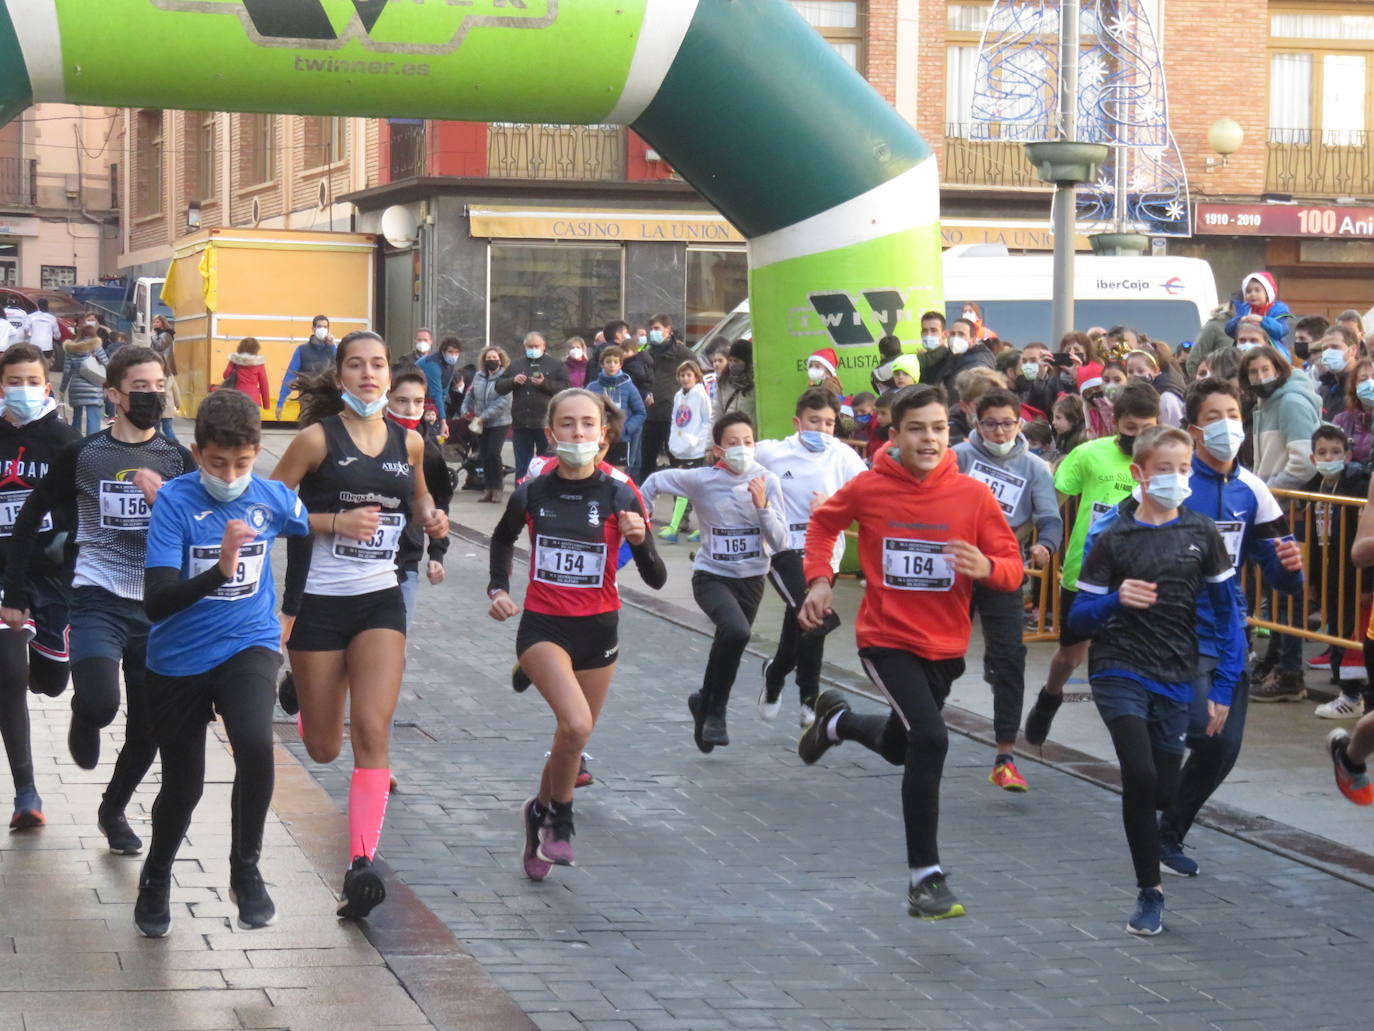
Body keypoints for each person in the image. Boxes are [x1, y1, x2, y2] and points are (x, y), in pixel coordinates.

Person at [795, 384, 1022, 920]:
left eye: (939, 428)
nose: (929, 438)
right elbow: (824, 523)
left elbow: (1011, 567)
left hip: (944, 647)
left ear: (951, 433)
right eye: (917, 428)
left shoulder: (973, 497)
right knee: (931, 738)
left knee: (903, 747)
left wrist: (986, 568)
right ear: (894, 436)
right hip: (885, 640)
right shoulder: (870, 488)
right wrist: (820, 580)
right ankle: (926, 877)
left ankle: (838, 723)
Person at [269, 330, 448, 920]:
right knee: (323, 748)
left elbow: (419, 497)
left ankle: (361, 864)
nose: (369, 375)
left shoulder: (411, 443)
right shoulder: (315, 439)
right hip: (320, 606)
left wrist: (432, 516)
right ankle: (303, 690)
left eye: (378, 365)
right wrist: (330, 522)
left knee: (372, 728)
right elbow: (266, 511)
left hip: (380, 601)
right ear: (340, 375)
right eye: (357, 365)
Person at [2, 345, 195, 855]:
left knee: (149, 724)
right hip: (98, 596)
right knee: (103, 703)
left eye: (159, 387)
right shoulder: (84, 454)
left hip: (156, 605)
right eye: (140, 388)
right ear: (113, 395)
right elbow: (30, 518)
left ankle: (113, 809)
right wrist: (18, 589)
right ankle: (85, 715)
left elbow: (204, 531)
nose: (152, 397)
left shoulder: (178, 459)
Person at [132, 390, 311, 938]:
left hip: (248, 643)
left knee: (256, 744)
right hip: (178, 657)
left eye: (242, 462)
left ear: (259, 451)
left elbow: (304, 534)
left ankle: (245, 870)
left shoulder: (272, 497)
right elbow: (157, 601)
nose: (231, 474)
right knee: (184, 785)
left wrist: (290, 612)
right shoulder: (175, 503)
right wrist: (222, 568)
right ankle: (157, 873)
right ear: (196, 451)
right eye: (217, 463)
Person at [1070, 425, 1244, 935]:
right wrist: (1115, 600)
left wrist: (1221, 687)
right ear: (1138, 474)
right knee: (1140, 776)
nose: (1175, 478)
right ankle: (1150, 890)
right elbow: (1076, 620)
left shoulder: (1201, 534)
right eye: (1164, 469)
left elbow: (1228, 615)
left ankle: (1159, 837)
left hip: (1176, 673)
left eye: (1184, 468)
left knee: (1163, 790)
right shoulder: (1111, 536)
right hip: (1117, 666)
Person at [489, 389, 666, 878]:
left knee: (569, 737)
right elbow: (502, 537)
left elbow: (656, 579)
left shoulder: (621, 492)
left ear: (603, 435)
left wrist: (640, 541)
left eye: (587, 424)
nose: (578, 433)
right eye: (567, 425)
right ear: (551, 434)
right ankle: (560, 823)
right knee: (577, 725)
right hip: (543, 627)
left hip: (599, 631)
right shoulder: (533, 489)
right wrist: (497, 588)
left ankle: (537, 812)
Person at [1148, 379, 1302, 877]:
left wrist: (1291, 565)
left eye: (1233, 413)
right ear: (1194, 429)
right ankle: (1149, 762)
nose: (1227, 425)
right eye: (1215, 416)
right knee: (1196, 725)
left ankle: (1167, 834)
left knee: (1223, 747)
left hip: (1227, 629)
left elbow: (1283, 579)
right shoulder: (1171, 481)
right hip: (1173, 626)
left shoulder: (1253, 490)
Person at [1023, 383, 1161, 746]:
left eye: (1148, 429)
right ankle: (1049, 698)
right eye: (1132, 430)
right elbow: (1051, 501)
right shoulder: (1088, 454)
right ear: (1117, 422)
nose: (1139, 437)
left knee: (1129, 657)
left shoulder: (1164, 460)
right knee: (1071, 655)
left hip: (1140, 576)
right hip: (1084, 573)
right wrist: (1024, 537)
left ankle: (1135, 726)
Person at [641, 413, 786, 749]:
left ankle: (704, 704)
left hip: (751, 579)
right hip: (711, 576)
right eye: (733, 443)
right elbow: (653, 482)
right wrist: (643, 523)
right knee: (736, 631)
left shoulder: (768, 481)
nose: (742, 449)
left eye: (748, 442)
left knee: (732, 642)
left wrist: (762, 506)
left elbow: (781, 543)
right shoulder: (702, 479)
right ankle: (716, 712)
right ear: (719, 449)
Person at [954, 388, 1062, 789]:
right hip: (957, 568)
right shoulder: (959, 458)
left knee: (1010, 657)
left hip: (1003, 567)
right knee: (944, 653)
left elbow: (1050, 518)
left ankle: (1005, 756)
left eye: (1007, 423)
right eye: (990, 423)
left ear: (1020, 424)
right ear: (976, 424)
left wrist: (1045, 546)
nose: (999, 432)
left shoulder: (1034, 467)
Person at [0, 344, 79, 830]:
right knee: (9, 672)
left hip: (51, 579)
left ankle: (34, 661)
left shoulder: (66, 442)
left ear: (47, 386)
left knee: (52, 680)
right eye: (14, 381)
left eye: (32, 381)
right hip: (5, 579)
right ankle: (26, 792)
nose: (23, 389)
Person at [755, 389, 867, 727]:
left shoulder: (843, 456)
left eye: (829, 423)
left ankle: (779, 676)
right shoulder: (773, 453)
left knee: (807, 617)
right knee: (809, 611)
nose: (821, 430)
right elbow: (733, 466)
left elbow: (868, 498)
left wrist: (832, 506)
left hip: (825, 553)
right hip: (781, 548)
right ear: (797, 422)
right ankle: (807, 693)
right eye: (814, 422)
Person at [1298, 426, 1369, 719]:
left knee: (1352, 631)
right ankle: (1348, 691)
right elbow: (1314, 540)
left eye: (1336, 452)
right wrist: (1312, 579)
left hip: (1355, 573)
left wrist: (1368, 582)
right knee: (1336, 629)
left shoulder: (1359, 486)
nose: (1330, 457)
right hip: (1329, 571)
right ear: (1313, 458)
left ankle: (1351, 694)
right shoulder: (1316, 487)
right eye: (1323, 452)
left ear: (1348, 454)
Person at [386, 369, 453, 628]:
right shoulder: (367, 443)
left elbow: (440, 506)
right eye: (402, 401)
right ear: (387, 398)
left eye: (417, 402)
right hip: (361, 564)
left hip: (406, 561)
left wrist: (437, 553)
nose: (410, 409)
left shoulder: (430, 453)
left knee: (394, 651)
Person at [497, 332, 570, 480]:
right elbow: (499, 386)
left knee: (546, 462)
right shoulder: (516, 364)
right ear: (525, 347)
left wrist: (545, 384)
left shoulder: (555, 365)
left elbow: (566, 388)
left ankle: (545, 491)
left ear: (543, 347)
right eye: (530, 346)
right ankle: (522, 494)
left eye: (536, 346)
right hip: (521, 422)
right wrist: (513, 381)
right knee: (522, 464)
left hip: (545, 423)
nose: (533, 349)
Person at [635, 315, 697, 485]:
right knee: (646, 463)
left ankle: (683, 507)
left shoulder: (683, 354)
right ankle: (644, 505)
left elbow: (697, 380)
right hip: (650, 416)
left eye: (657, 328)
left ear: (668, 329)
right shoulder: (646, 354)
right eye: (652, 329)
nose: (653, 332)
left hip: (675, 417)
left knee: (677, 463)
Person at [659, 360, 712, 543]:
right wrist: (673, 442)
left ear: (696, 376)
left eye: (689, 375)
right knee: (679, 487)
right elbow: (675, 420)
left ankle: (700, 525)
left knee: (692, 490)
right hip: (678, 448)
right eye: (682, 375)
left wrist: (697, 440)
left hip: (694, 451)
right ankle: (679, 523)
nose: (685, 378)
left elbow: (707, 420)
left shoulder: (700, 395)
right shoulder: (678, 396)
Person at [463, 345, 513, 503]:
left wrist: (484, 416)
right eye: (488, 358)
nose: (491, 360)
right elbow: (470, 394)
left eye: (494, 358)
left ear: (500, 359)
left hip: (499, 422)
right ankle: (488, 489)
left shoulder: (506, 376)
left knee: (493, 454)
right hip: (481, 423)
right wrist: (465, 409)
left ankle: (497, 488)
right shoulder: (479, 376)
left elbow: (504, 402)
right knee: (484, 456)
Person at [585, 345, 646, 472]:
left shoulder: (629, 387)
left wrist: (626, 429)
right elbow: (583, 410)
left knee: (619, 474)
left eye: (615, 362)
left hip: (621, 439)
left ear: (620, 365)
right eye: (608, 362)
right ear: (602, 364)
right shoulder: (592, 387)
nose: (612, 365)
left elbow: (640, 413)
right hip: (598, 439)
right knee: (596, 470)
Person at [275, 315, 336, 419]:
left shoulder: (333, 349)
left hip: (329, 398)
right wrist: (281, 402)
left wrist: (333, 346)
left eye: (325, 327)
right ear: (313, 329)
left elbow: (342, 372)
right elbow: (290, 375)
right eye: (319, 326)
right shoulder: (302, 350)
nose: (322, 329)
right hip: (307, 399)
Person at [1225, 271, 1293, 353]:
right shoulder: (1244, 308)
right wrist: (1240, 320)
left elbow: (1281, 331)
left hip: (1272, 350)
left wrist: (1262, 320)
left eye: (1257, 290)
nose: (1253, 294)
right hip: (1244, 351)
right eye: (1248, 291)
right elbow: (1229, 330)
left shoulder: (1277, 309)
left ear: (1267, 293)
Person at [62, 321, 108, 436]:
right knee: (93, 416)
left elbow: (67, 371)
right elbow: (107, 363)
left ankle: (75, 439)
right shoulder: (96, 346)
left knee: (76, 416)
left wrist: (62, 389)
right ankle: (91, 442)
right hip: (93, 386)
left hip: (76, 387)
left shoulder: (70, 348)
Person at [1333, 357, 1374, 468]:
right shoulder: (1341, 420)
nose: (1370, 383)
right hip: (1350, 482)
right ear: (1354, 385)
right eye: (1363, 379)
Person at [417, 335, 464, 422]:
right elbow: (436, 392)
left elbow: (444, 391)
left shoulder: (450, 365)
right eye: (450, 352)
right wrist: (442, 419)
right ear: (443, 351)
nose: (453, 355)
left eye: (456, 352)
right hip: (419, 397)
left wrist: (440, 414)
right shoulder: (433, 364)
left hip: (430, 400)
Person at [1315, 329, 1356, 420]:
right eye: (1325, 348)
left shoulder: (1363, 388)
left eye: (1335, 347)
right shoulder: (1324, 388)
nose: (1329, 352)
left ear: (1352, 350)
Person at [221, 337, 272, 410]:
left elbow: (225, 376)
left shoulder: (235, 360)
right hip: (253, 400)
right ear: (256, 349)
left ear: (240, 348)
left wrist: (231, 362)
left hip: (236, 398)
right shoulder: (259, 363)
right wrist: (266, 405)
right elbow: (264, 385)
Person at [712, 340, 756, 424]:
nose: (732, 365)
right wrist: (710, 437)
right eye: (730, 360)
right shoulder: (723, 382)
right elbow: (716, 414)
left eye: (736, 361)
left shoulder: (755, 384)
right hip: (728, 433)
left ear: (747, 362)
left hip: (748, 434)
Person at [158, 365, 182, 442]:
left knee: (155, 430)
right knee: (168, 429)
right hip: (168, 407)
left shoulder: (152, 375)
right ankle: (175, 444)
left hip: (155, 406)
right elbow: (176, 391)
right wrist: (178, 404)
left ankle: (157, 447)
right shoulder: (170, 376)